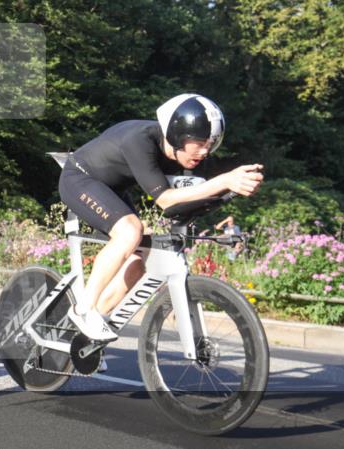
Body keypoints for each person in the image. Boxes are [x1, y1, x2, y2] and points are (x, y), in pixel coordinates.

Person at [58, 93, 264, 341]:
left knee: (139, 258)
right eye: (199, 143)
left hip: (112, 190)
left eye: (211, 144)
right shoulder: (139, 141)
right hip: (79, 178)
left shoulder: (187, 156)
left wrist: (234, 187)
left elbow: (194, 194)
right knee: (130, 231)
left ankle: (90, 329)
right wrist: (225, 180)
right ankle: (83, 310)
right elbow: (165, 199)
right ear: (177, 136)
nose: (204, 152)